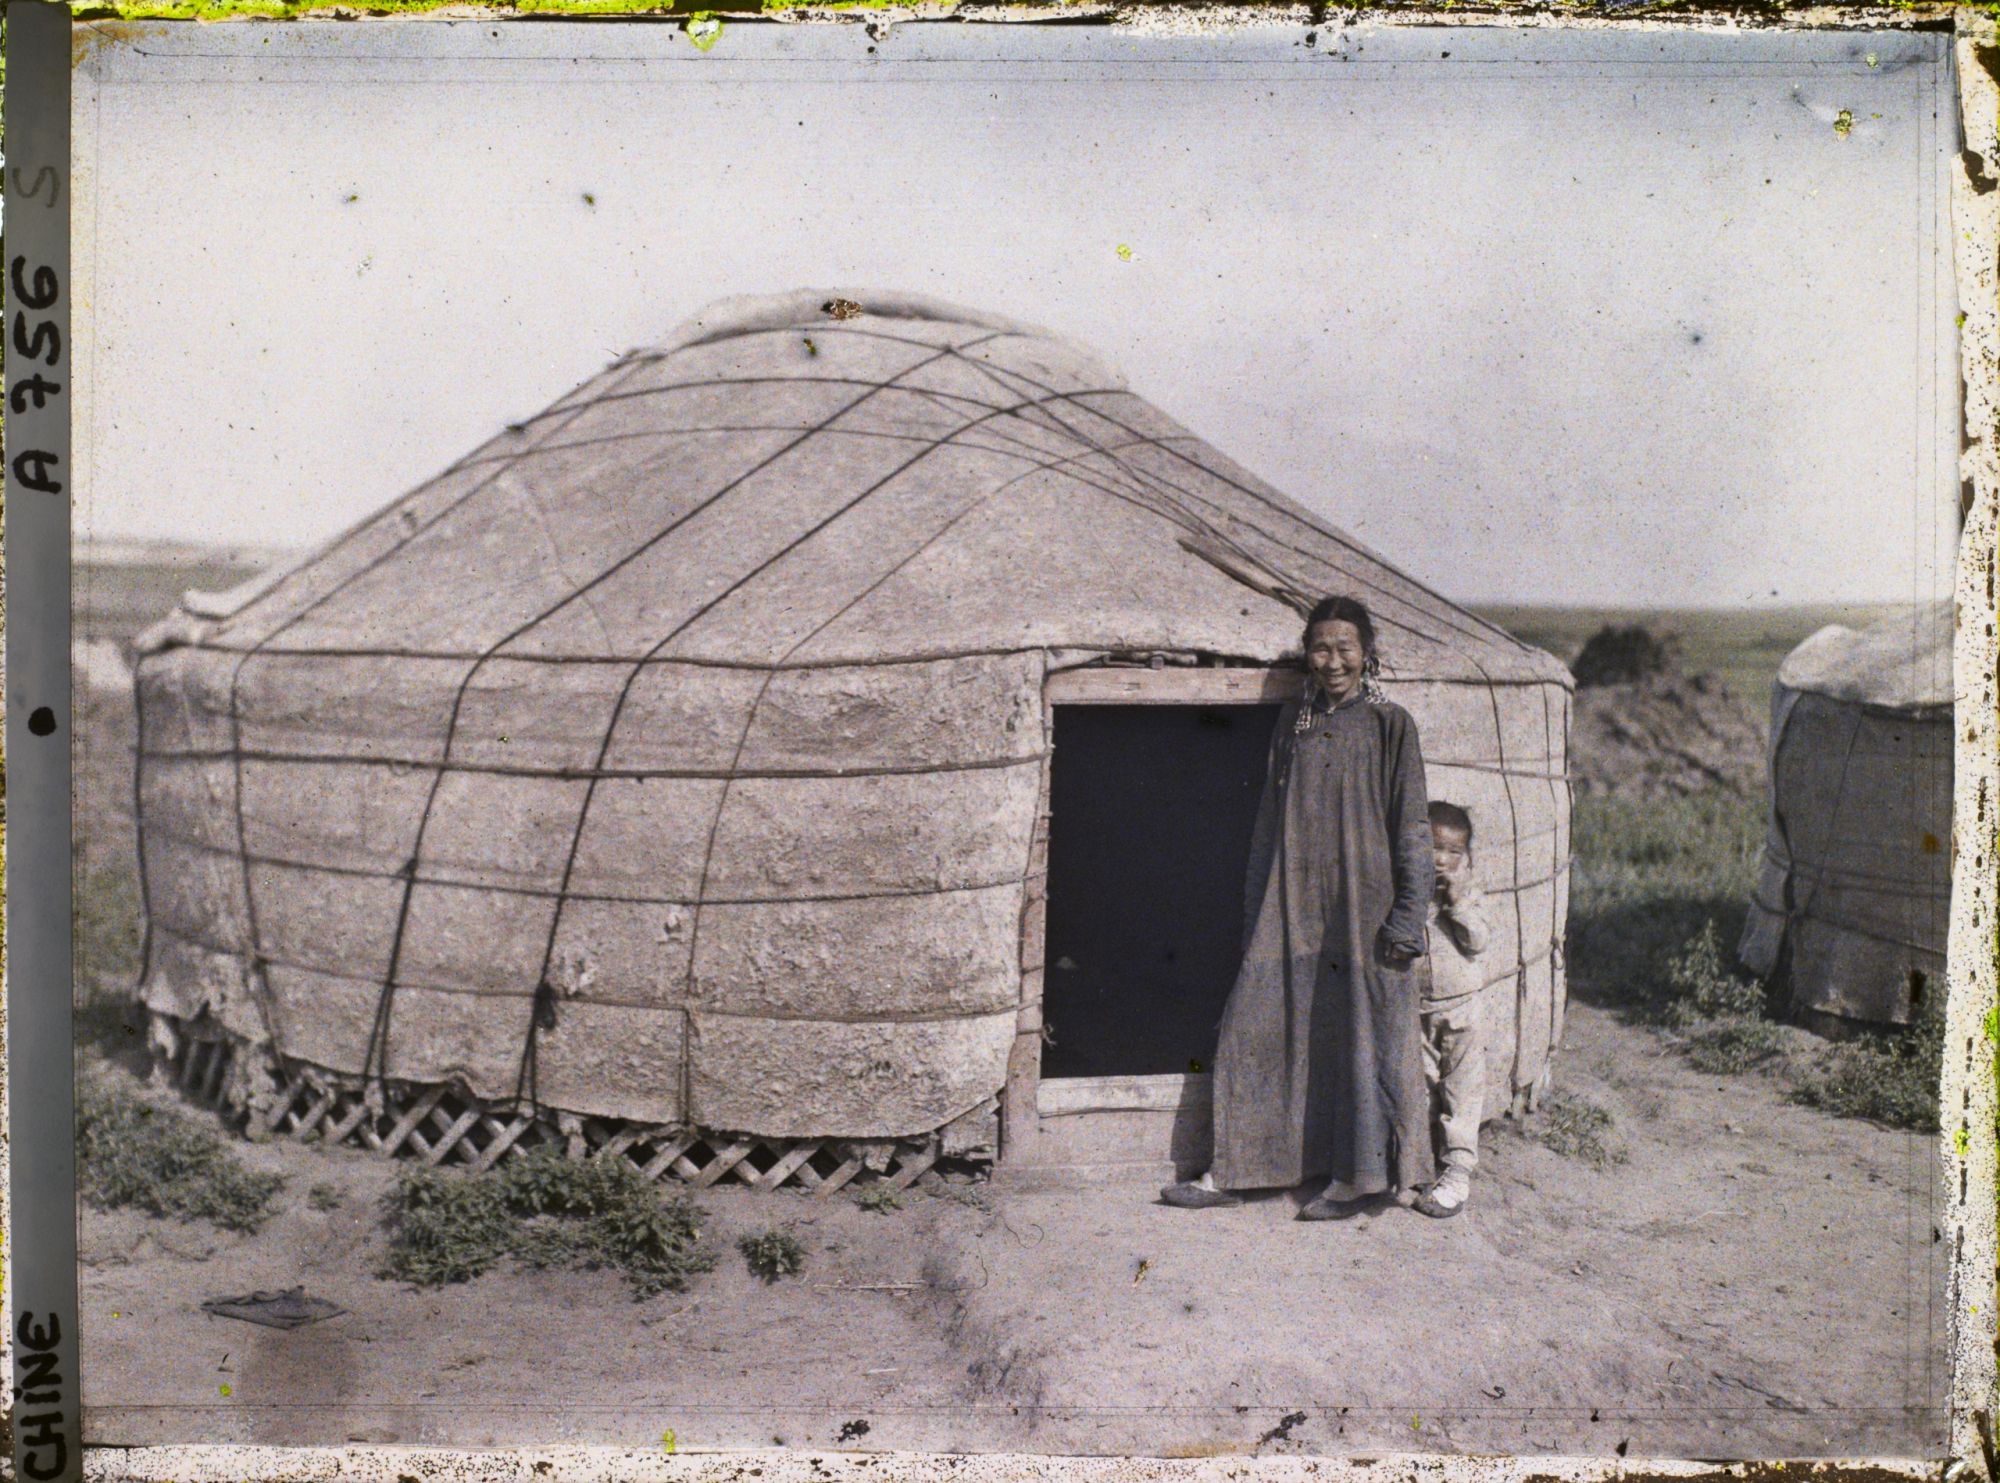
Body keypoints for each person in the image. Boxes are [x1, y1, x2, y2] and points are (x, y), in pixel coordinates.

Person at [1161, 595, 1436, 1220]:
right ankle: (1237, 1168)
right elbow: (1268, 822)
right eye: (1320, 649)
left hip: (1364, 912)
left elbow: (1413, 826)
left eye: (1345, 649)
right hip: (1291, 906)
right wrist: (1257, 908)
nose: (1332, 661)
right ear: (1306, 654)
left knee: (1364, 1038)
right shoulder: (1294, 723)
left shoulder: (1391, 724)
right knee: (1254, 1025)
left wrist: (1407, 917)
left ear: (1367, 654)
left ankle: (1360, 1180)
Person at [1411, 801, 1491, 1220]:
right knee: (1422, 1087)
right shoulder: (1410, 889)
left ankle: (1458, 1174)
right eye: (1433, 847)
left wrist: (1457, 902)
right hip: (1418, 1008)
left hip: (1462, 1009)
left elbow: (1478, 941)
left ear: (1466, 856)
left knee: (1460, 1092)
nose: (1441, 859)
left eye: (1453, 851)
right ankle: (1425, 1166)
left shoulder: (1470, 890)